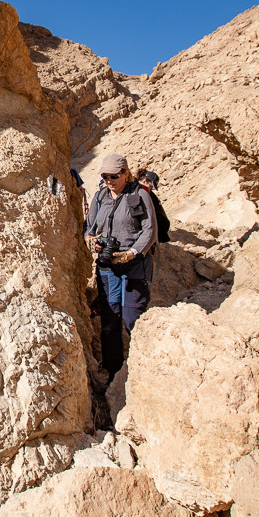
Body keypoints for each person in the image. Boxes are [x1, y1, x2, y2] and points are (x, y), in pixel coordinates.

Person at [84, 154, 157, 381]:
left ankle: (142, 366)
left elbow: (149, 229)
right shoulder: (100, 197)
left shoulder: (140, 196)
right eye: (105, 176)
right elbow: (89, 228)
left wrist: (132, 252)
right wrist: (91, 241)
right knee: (110, 319)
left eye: (114, 176)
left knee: (132, 317)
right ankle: (113, 369)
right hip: (108, 268)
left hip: (134, 265)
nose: (109, 180)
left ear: (126, 173)